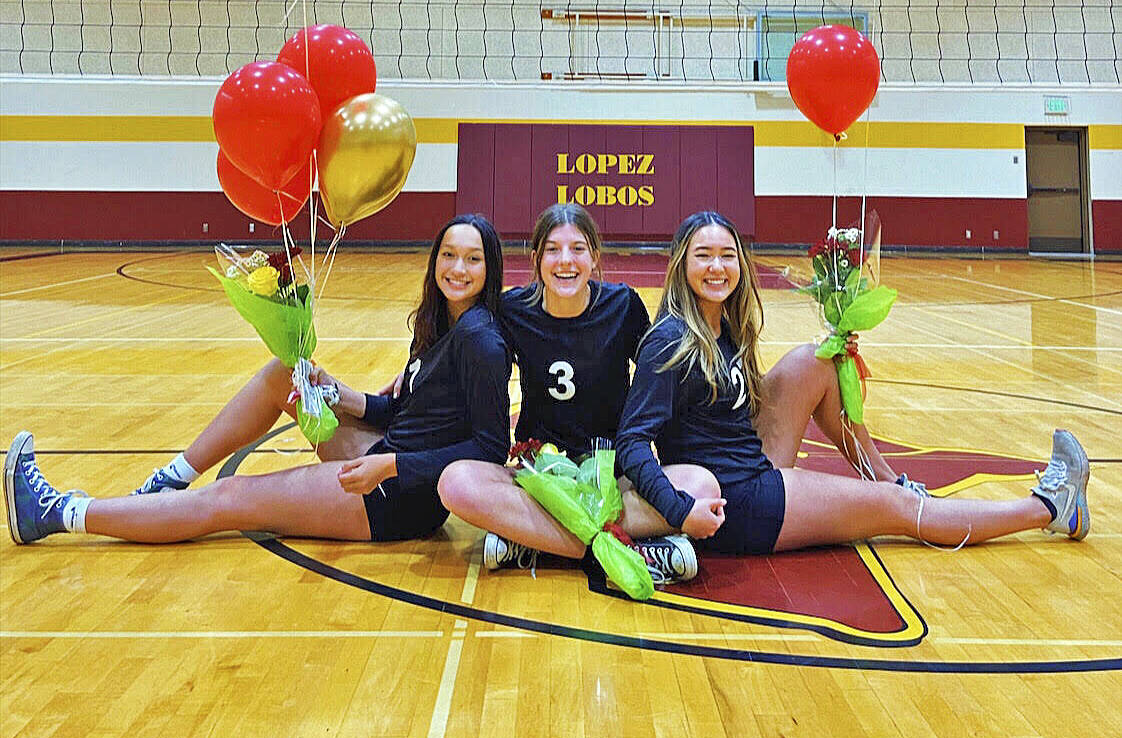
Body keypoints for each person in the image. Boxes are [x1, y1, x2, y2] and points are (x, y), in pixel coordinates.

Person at [5, 214, 513, 545]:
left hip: (397, 497)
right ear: (435, 261)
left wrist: (391, 465)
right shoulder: (438, 324)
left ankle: (57, 512)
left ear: (490, 266)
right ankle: (173, 476)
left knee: (230, 500)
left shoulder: (480, 341)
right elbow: (412, 414)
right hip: (387, 456)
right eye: (449, 255)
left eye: (473, 259)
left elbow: (488, 449)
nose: (458, 269)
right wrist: (340, 394)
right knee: (283, 376)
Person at [616, 211, 1090, 558]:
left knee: (816, 359)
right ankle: (1049, 507)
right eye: (704, 256)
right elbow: (632, 443)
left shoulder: (724, 325)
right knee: (899, 510)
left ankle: (886, 478)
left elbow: (727, 403)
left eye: (727, 256)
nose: (717, 268)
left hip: (745, 460)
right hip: (742, 501)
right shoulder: (671, 339)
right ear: (681, 265)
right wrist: (679, 512)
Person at [437, 204, 721, 584]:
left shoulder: (623, 306)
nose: (565, 261)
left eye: (578, 249)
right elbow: (466, 360)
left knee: (701, 483)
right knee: (455, 483)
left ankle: (534, 540)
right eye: (553, 249)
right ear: (536, 259)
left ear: (595, 257)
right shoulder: (511, 310)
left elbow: (660, 383)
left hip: (615, 481)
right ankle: (628, 547)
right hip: (540, 478)